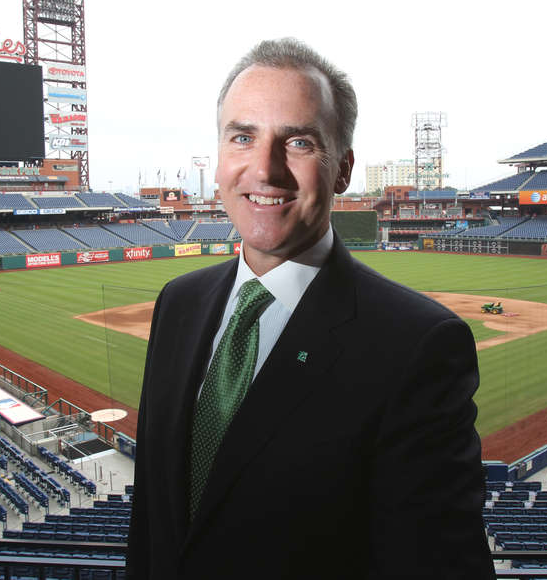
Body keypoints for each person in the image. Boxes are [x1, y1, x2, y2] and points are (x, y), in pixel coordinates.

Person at [127, 38, 494, 579]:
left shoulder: (418, 346)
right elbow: (154, 521)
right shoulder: (178, 304)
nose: (264, 169)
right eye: (243, 137)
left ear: (342, 170)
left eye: (297, 142)